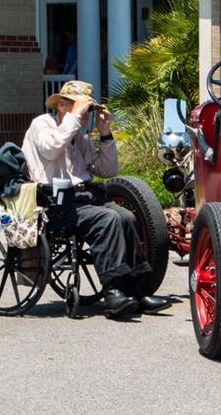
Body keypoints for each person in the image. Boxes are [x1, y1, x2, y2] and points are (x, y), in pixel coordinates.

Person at [20, 80, 169, 319]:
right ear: (62, 106)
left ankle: (139, 291)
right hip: (55, 201)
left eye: (88, 109)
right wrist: (75, 116)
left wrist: (105, 132)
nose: (86, 115)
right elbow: (51, 149)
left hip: (84, 195)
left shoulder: (79, 137)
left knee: (126, 217)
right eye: (83, 108)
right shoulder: (43, 124)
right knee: (107, 219)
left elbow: (107, 170)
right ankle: (113, 292)